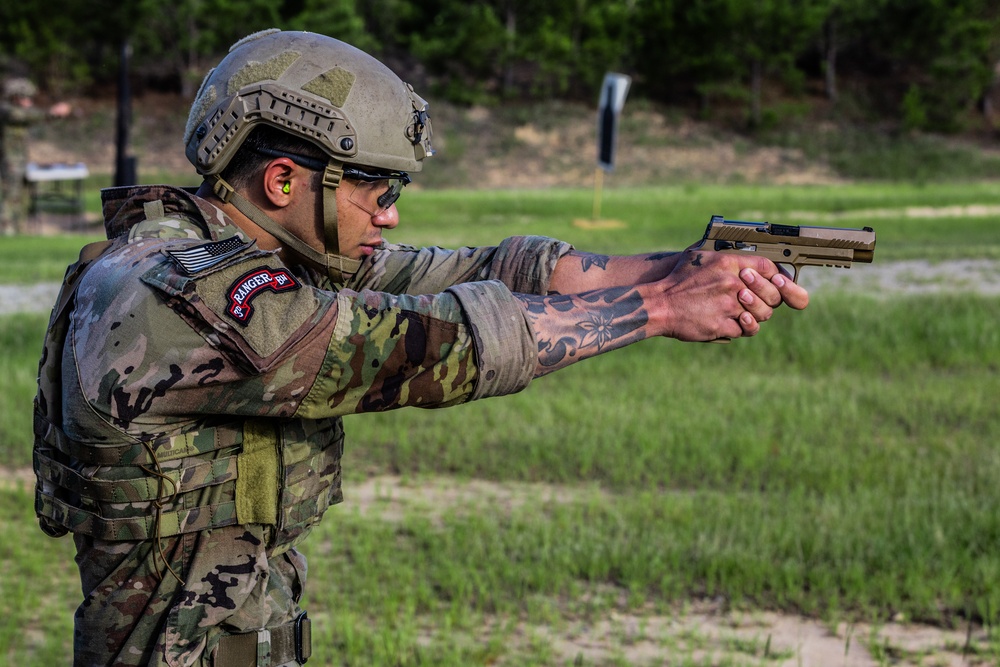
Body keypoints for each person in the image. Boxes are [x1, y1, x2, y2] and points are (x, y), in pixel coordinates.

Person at [32, 29, 808, 666]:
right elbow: (427, 342)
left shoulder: (260, 257)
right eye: (379, 190)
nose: (392, 216)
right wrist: (665, 307)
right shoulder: (170, 292)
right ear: (281, 181)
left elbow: (474, 271)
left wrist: (684, 264)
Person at [0, 77, 71, 233]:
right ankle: (6, 229)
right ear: (15, 97)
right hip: (8, 162)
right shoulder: (5, 110)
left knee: (20, 196)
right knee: (8, 195)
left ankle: (16, 229)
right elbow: (23, 116)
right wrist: (52, 113)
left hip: (18, 161)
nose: (27, 101)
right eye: (24, 97)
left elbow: (30, 116)